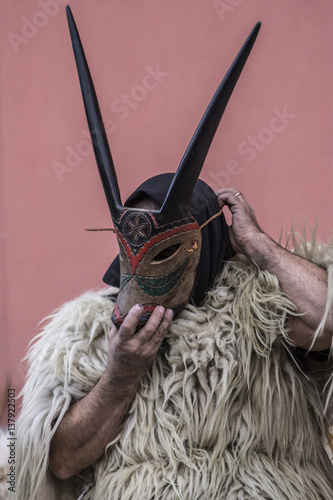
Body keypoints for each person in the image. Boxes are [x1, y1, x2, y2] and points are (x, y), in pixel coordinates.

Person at [15, 176, 333, 500]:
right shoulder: (91, 330)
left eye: (165, 249)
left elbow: (328, 318)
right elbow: (64, 461)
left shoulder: (261, 304)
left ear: (205, 237)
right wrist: (120, 376)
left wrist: (259, 245)